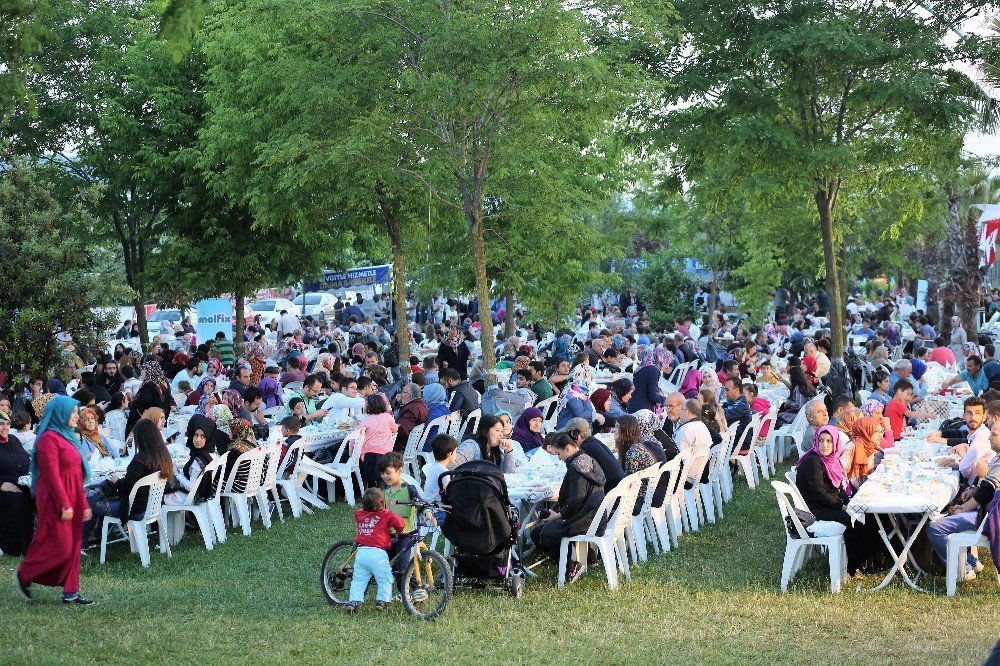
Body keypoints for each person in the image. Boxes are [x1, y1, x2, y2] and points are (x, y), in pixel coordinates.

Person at [15, 396, 94, 605]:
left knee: (75, 544)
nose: (76, 416)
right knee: (62, 545)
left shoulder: (69, 436)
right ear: (60, 412)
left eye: (77, 412)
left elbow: (76, 472)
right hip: (54, 496)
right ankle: (25, 573)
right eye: (73, 412)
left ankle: (71, 592)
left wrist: (83, 502)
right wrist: (64, 503)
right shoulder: (48, 438)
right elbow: (50, 474)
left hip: (73, 492)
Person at [927, 418, 1000, 581]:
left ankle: (964, 569)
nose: (989, 438)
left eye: (994, 435)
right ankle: (971, 561)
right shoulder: (997, 455)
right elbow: (985, 488)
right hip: (989, 512)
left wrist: (963, 508)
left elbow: (987, 492)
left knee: (934, 527)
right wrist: (973, 488)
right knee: (947, 510)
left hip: (988, 518)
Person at [82, 418, 174, 546]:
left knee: (90, 501)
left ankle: (82, 541)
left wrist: (116, 480)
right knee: (103, 497)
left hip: (135, 509)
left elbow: (126, 487)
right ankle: (98, 536)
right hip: (152, 507)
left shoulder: (141, 459)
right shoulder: (163, 456)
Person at [529, 431, 606, 582]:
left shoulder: (576, 469)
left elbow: (574, 503)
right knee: (544, 530)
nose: (559, 458)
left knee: (541, 534)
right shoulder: (588, 460)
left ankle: (571, 566)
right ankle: (583, 558)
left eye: (558, 454)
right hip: (595, 516)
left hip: (584, 520)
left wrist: (557, 515)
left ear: (567, 448)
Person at [794, 426, 869, 575]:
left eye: (829, 441)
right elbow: (819, 493)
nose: (824, 445)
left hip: (827, 504)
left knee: (864, 517)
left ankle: (866, 560)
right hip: (814, 511)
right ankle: (853, 567)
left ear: (835, 444)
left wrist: (848, 503)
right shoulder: (813, 461)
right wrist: (842, 507)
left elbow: (837, 489)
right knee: (852, 521)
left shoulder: (831, 461)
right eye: (821, 440)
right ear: (816, 441)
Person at [346, 487, 405, 613]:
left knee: (359, 579)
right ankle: (382, 601)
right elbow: (400, 524)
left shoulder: (359, 514)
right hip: (378, 553)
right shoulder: (386, 514)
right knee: (385, 578)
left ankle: (353, 601)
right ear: (383, 504)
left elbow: (366, 516)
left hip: (361, 552)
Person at [0, 410, 34, 556]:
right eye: (1, 424)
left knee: (42, 497)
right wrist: (1, 484)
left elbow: (26, 461)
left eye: (7, 424)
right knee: (17, 500)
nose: (5, 427)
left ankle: (36, 544)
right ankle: (12, 547)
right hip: (3, 486)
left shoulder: (13, 439)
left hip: (22, 483)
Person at [936, 397, 992, 484]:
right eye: (969, 413)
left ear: (984, 417)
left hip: (975, 489)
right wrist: (956, 464)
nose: (973, 417)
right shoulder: (975, 434)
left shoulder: (982, 437)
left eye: (977, 413)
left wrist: (958, 465)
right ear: (963, 416)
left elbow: (964, 470)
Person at [165, 416, 217, 505]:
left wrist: (176, 473)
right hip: (201, 496)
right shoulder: (212, 455)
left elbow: (191, 487)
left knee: (160, 496)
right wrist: (179, 470)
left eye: (202, 436)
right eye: (196, 435)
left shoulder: (198, 461)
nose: (198, 440)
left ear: (208, 437)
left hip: (188, 497)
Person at [452, 414, 528, 472]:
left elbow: (509, 473)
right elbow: (450, 467)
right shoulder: (471, 446)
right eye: (497, 430)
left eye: (502, 431)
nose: (501, 435)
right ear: (486, 431)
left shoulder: (495, 449)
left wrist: (509, 452)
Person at [357, 396, 399, 488]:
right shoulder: (388, 417)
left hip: (369, 454)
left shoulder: (367, 420)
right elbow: (395, 429)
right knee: (381, 476)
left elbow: (356, 435)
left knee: (366, 474)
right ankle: (382, 491)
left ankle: (366, 491)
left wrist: (351, 449)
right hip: (385, 453)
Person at [126, 361, 171, 437]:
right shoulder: (162, 385)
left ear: (150, 370)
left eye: (144, 369)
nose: (141, 371)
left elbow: (141, 404)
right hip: (158, 423)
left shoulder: (149, 387)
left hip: (146, 426)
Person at [673, 400, 713, 487]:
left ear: (686, 412)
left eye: (681, 409)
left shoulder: (687, 429)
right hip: (699, 473)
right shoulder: (702, 426)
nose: (680, 413)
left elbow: (677, 456)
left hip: (687, 477)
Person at [555, 364, 600, 429]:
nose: (590, 380)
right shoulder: (572, 393)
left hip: (575, 429)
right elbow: (580, 414)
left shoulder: (579, 391)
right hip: (568, 432)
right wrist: (596, 416)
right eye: (589, 377)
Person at [627, 348, 668, 414]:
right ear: (660, 359)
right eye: (666, 362)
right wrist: (663, 399)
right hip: (641, 409)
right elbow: (652, 395)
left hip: (634, 403)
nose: (667, 366)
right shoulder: (653, 370)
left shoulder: (645, 366)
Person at [422, 434, 458, 505]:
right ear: (450, 454)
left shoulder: (430, 466)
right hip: (435, 508)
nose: (456, 454)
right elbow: (448, 493)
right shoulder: (444, 472)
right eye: (455, 452)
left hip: (425, 504)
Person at [394, 383, 428, 452]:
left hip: (402, 446)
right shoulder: (421, 405)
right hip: (410, 443)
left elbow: (402, 430)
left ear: (409, 395)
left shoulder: (411, 409)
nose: (401, 394)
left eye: (403, 392)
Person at [722, 377, 753, 450]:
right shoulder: (737, 401)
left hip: (738, 444)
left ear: (736, 389)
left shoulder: (741, 405)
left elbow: (722, 415)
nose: (724, 393)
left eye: (727, 390)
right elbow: (722, 409)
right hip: (735, 441)